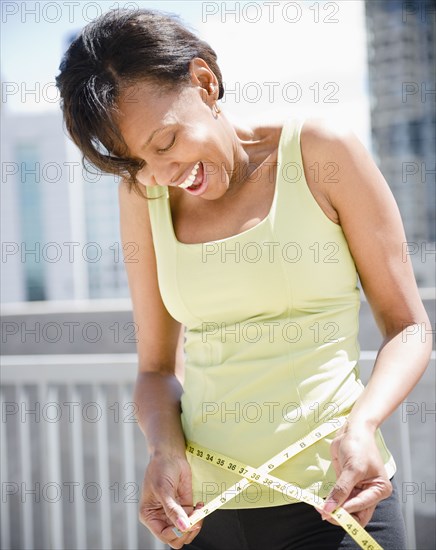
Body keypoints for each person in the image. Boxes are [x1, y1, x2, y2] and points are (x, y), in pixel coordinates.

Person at [55, 8, 432, 550]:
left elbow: (409, 327)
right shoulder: (144, 193)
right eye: (138, 160)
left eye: (165, 144)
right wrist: (164, 450)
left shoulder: (322, 152)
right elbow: (157, 371)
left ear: (204, 81)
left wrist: (364, 425)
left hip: (337, 505)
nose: (164, 174)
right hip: (211, 519)